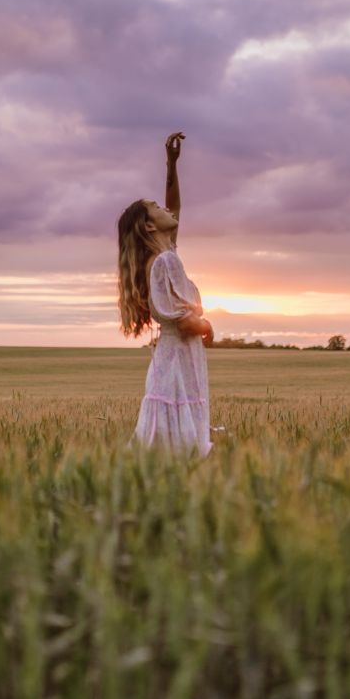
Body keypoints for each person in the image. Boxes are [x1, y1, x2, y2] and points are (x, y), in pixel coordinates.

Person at [117, 132, 214, 458]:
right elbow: (184, 321)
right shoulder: (165, 261)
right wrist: (207, 326)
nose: (165, 209)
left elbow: (174, 207)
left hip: (170, 357)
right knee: (180, 445)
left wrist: (172, 166)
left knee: (162, 443)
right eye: (155, 208)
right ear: (149, 226)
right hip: (177, 359)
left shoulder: (159, 257)